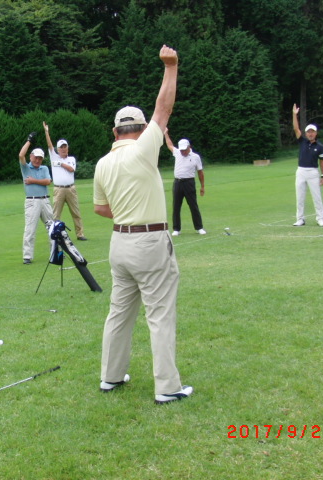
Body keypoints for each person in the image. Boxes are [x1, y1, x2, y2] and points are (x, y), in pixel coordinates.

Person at [93, 45, 193, 405]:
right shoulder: (145, 147)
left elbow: (101, 209)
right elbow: (163, 109)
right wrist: (171, 66)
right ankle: (167, 387)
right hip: (149, 243)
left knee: (119, 314)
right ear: (139, 128)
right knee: (160, 315)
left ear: (115, 131)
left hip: (119, 244)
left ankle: (111, 376)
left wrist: (126, 213)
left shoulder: (103, 163)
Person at [42, 122, 87, 241]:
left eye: (65, 147)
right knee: (55, 214)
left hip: (71, 188)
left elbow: (71, 169)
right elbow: (49, 145)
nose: (63, 149)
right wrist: (47, 132)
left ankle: (80, 234)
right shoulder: (54, 156)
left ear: (67, 148)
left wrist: (61, 164)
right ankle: (55, 234)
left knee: (76, 212)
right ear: (58, 149)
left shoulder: (71, 159)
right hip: (59, 189)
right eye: (61, 147)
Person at [19, 133, 54, 264]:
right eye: (36, 157)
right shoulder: (26, 167)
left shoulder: (44, 168)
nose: (38, 160)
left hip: (45, 200)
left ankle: (54, 253)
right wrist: (29, 141)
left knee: (51, 227)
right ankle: (27, 256)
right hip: (32, 201)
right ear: (31, 156)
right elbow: (20, 155)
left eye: (40, 158)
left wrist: (33, 180)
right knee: (30, 229)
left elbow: (48, 181)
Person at [163, 131, 206, 236]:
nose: (182, 152)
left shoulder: (195, 157)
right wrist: (165, 133)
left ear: (189, 147)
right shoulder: (177, 152)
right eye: (181, 150)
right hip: (177, 182)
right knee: (176, 206)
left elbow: (200, 173)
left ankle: (199, 227)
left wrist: (202, 187)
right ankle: (176, 229)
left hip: (189, 183)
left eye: (184, 150)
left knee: (193, 205)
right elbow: (169, 144)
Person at [292, 104, 323, 226]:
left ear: (316, 133)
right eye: (308, 132)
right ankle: (300, 219)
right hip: (301, 171)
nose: (310, 134)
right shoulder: (302, 141)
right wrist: (294, 114)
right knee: (300, 197)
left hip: (313, 172)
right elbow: (296, 129)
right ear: (306, 134)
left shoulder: (320, 147)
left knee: (317, 197)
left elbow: (322, 162)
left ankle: (320, 219)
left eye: (312, 132)